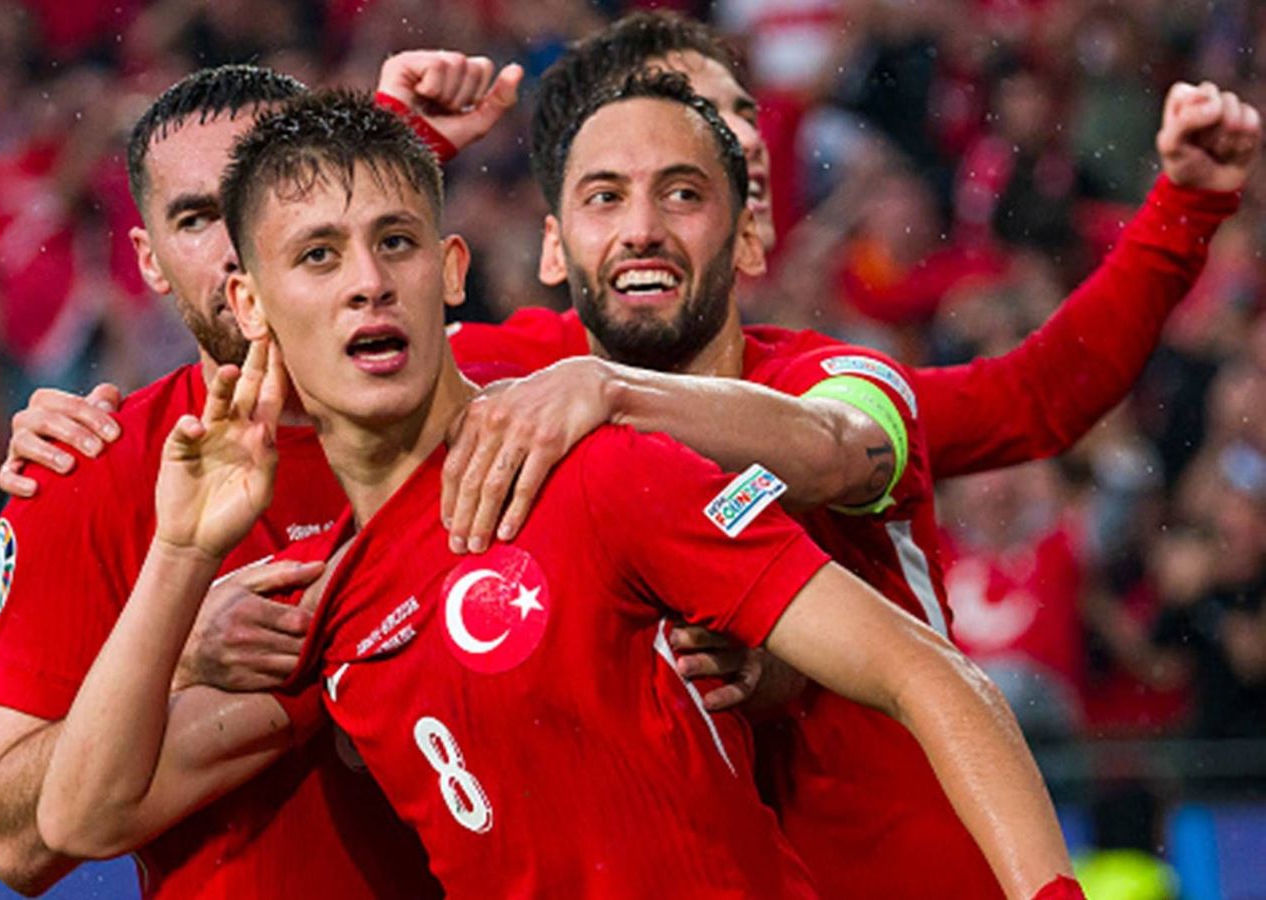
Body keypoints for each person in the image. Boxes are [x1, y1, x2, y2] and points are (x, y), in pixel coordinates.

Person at [67, 80, 1082, 898]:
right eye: (318, 257)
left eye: (396, 244)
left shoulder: (597, 471)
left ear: (450, 270)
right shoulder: (330, 601)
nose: (367, 283)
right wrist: (179, 553)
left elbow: (925, 672)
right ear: (249, 300)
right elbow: (80, 820)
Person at [0, 66, 446, 898]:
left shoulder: (499, 409)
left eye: (259, 193)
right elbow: (17, 846)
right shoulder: (87, 470)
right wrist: (176, 662)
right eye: (196, 218)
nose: (236, 242)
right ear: (151, 262)